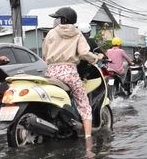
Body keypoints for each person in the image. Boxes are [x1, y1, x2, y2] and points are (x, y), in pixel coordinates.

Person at [42, 7, 103, 139]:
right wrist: (95, 58)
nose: (56, 20)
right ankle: (88, 137)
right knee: (84, 104)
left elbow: (45, 53)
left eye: (58, 18)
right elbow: (84, 53)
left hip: (51, 72)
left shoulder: (51, 33)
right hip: (69, 72)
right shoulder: (77, 34)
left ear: (64, 19)